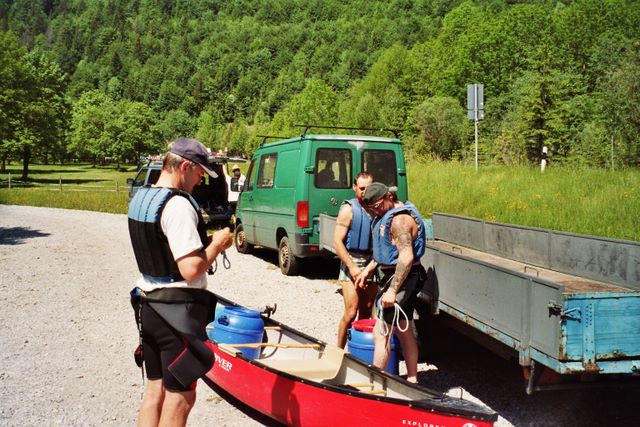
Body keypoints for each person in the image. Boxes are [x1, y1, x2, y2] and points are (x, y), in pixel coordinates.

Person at [127, 137, 233, 426]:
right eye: (199, 173)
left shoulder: (141, 198)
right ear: (184, 166)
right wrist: (218, 244)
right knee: (181, 397)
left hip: (148, 306)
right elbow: (191, 268)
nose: (200, 181)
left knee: (154, 393)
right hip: (176, 314)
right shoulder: (178, 206)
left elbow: (166, 248)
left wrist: (205, 242)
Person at [356, 182, 427, 383]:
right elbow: (386, 251)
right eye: (371, 209)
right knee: (404, 329)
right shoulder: (385, 216)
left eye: (378, 206)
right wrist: (368, 270)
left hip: (405, 277)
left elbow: (405, 258)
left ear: (389, 196)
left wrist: (392, 291)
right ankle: (413, 379)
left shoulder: (400, 221)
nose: (376, 211)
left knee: (382, 333)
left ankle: (376, 383)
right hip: (396, 276)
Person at [332, 172, 378, 348]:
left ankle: (358, 350)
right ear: (354, 187)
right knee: (351, 312)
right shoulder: (348, 209)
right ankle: (339, 350)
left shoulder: (377, 208)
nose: (365, 192)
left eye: (369, 188)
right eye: (362, 188)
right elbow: (337, 242)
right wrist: (352, 267)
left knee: (366, 311)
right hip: (352, 259)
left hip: (371, 262)